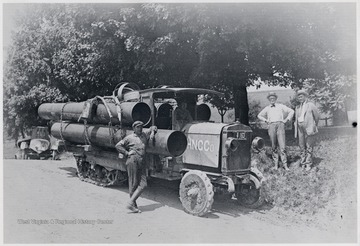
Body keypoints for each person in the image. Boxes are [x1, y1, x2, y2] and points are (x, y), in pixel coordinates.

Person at [115, 121, 157, 213]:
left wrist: (153, 131)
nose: (140, 128)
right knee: (133, 183)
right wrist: (126, 153)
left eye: (141, 127)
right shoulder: (129, 137)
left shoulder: (144, 135)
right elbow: (118, 145)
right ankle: (133, 205)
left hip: (141, 161)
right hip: (132, 160)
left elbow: (152, 128)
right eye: (137, 127)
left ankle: (130, 203)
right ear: (134, 128)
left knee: (143, 184)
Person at [257, 92, 294, 170]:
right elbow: (259, 115)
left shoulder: (280, 106)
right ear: (269, 99)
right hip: (271, 126)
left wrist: (286, 120)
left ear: (276, 99)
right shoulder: (267, 108)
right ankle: (275, 165)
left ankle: (285, 165)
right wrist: (266, 120)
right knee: (274, 146)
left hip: (280, 125)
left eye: (273, 98)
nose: (272, 99)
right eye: (270, 98)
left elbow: (291, 111)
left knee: (282, 146)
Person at [294, 90, 320, 171]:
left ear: (305, 97)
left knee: (309, 146)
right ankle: (303, 163)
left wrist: (313, 125)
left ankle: (308, 164)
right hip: (300, 129)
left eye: (302, 96)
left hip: (309, 128)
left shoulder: (311, 105)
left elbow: (317, 116)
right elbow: (296, 119)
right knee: (302, 146)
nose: (300, 98)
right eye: (299, 97)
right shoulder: (297, 107)